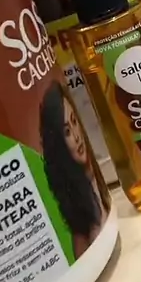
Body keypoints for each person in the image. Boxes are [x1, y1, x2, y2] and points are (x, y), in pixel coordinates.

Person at [40, 81, 108, 259]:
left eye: (74, 121)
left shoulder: (97, 183)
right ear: (58, 142)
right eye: (67, 132)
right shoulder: (81, 225)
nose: (77, 136)